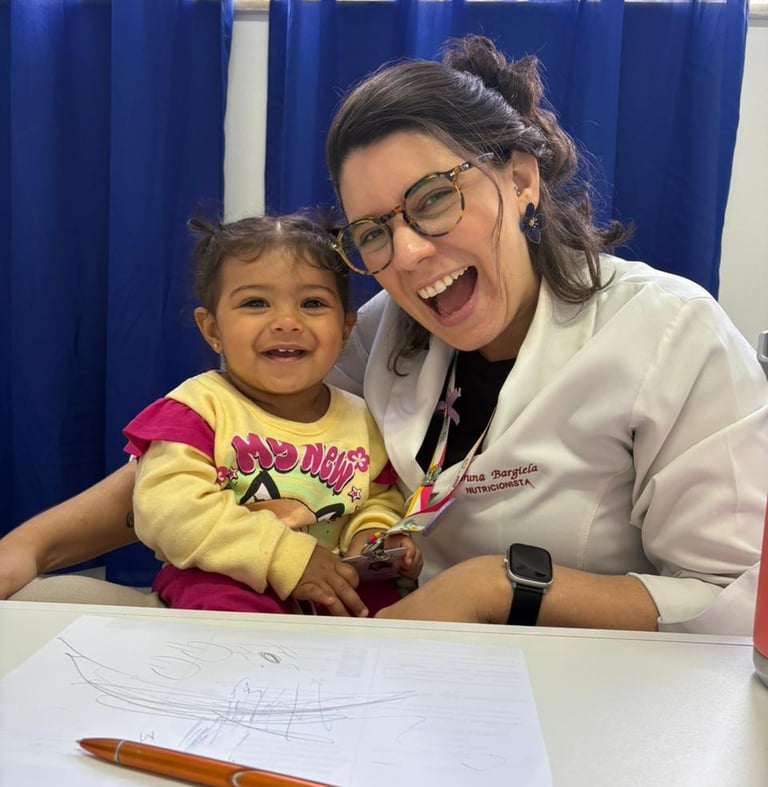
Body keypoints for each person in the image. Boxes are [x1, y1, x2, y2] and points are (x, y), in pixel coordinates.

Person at [2, 35, 766, 635]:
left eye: (433, 199)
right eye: (372, 232)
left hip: (585, 689)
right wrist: (30, 545)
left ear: (523, 180)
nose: (404, 256)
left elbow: (728, 599)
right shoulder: (382, 332)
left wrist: (496, 586)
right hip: (387, 653)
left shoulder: (668, 333)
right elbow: (206, 447)